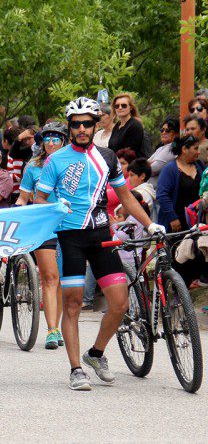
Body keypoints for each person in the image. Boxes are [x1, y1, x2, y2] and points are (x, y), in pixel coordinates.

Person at [35, 97, 163, 391]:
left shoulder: (108, 157)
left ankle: (95, 354)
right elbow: (39, 199)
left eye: (87, 123)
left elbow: (126, 196)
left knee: (119, 304)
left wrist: (149, 224)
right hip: (70, 236)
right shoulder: (56, 160)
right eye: (76, 124)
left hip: (102, 235)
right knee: (73, 304)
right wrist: (55, 207)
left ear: (95, 125)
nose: (81, 129)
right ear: (70, 127)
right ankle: (75, 369)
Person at [16, 121, 68, 349]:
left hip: (70, 226)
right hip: (43, 227)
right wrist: (15, 215)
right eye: (47, 139)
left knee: (63, 280)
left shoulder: (73, 164)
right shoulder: (33, 167)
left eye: (56, 138)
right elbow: (23, 198)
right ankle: (52, 329)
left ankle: (58, 325)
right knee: (50, 278)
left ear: (64, 141)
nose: (51, 143)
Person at [157, 136, 205, 233]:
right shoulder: (170, 169)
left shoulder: (199, 165)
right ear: (184, 149)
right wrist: (172, 218)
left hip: (197, 221)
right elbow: (162, 195)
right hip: (177, 223)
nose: (198, 152)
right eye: (195, 149)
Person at [108, 93, 145, 158]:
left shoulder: (135, 126)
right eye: (117, 106)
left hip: (130, 163)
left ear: (130, 107)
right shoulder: (117, 126)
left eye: (124, 105)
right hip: (115, 161)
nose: (120, 108)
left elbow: (129, 153)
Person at [149, 118, 179, 185]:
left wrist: (148, 165)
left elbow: (153, 168)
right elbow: (144, 164)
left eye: (168, 130)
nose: (163, 132)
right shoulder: (161, 148)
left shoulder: (173, 148)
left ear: (176, 134)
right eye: (162, 130)